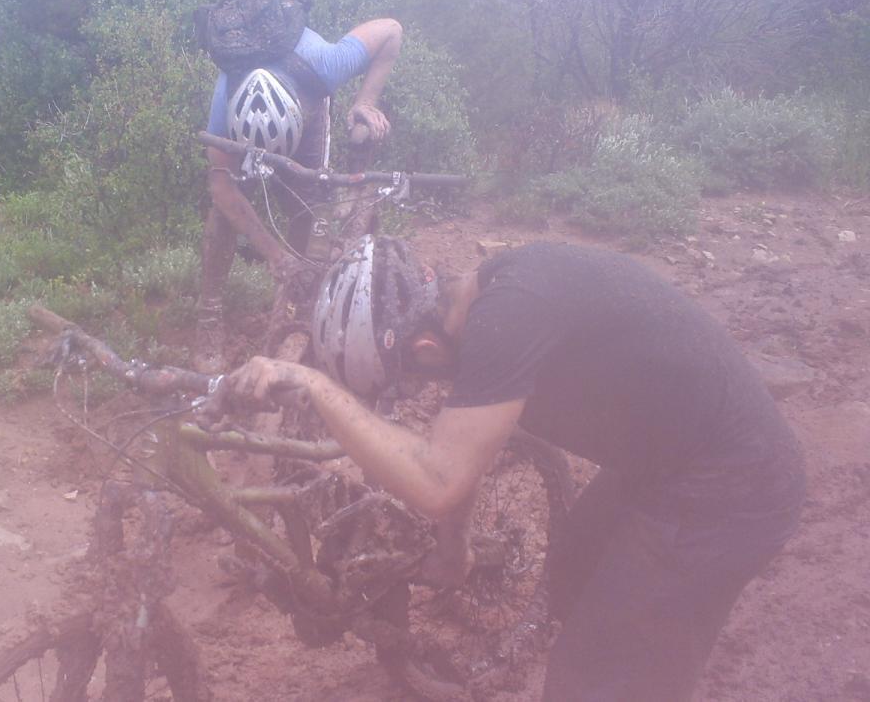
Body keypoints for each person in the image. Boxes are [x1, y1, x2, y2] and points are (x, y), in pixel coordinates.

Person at [227, 236, 806, 702]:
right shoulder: (489, 301)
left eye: (411, 376)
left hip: (731, 490)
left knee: (593, 679)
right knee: (576, 567)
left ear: (424, 349)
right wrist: (454, 548)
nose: (422, 387)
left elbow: (439, 480)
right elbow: (473, 443)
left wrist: (316, 387)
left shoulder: (512, 319)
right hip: (668, 458)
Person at [194, 0, 403, 373]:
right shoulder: (225, 100)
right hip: (248, 122)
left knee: (307, 199)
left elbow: (391, 31)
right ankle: (209, 316)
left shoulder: (325, 65)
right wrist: (273, 253)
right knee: (223, 212)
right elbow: (221, 188)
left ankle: (294, 299)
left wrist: (365, 102)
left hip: (305, 101)